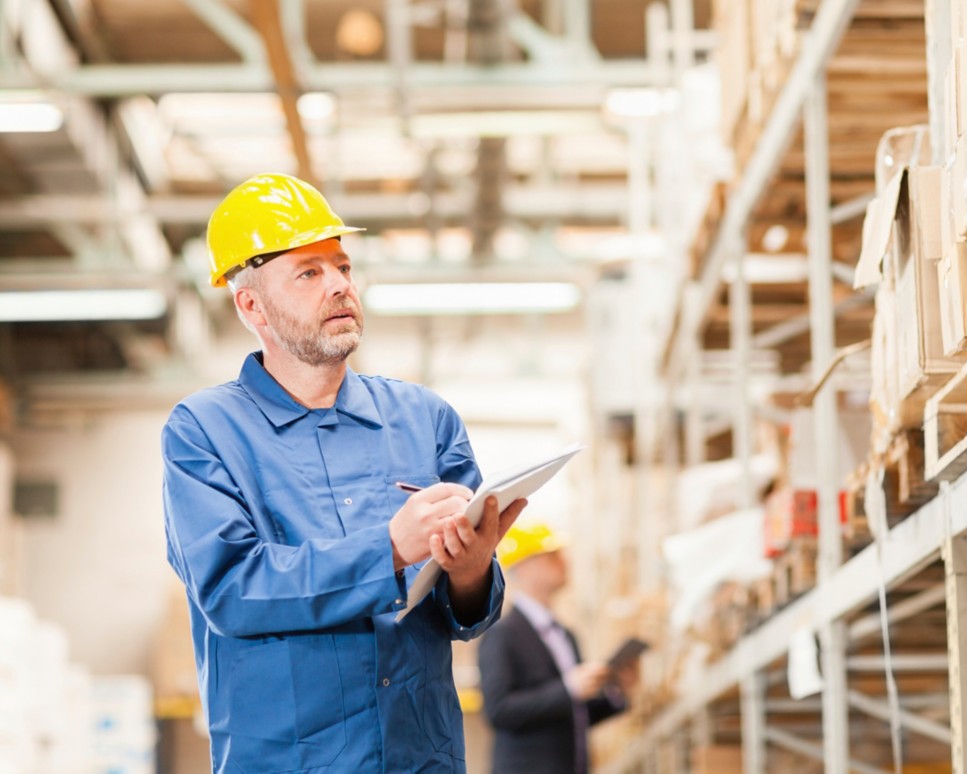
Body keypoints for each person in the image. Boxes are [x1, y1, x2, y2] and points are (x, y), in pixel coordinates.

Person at [161, 172, 526, 773]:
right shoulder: (204, 431)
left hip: (420, 759)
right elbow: (231, 591)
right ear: (251, 305)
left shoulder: (424, 419)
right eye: (309, 272)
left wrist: (471, 569)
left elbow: (467, 615)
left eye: (343, 268)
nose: (339, 286)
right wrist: (387, 549)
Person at [478, 522, 634, 774]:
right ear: (525, 567)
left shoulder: (566, 636)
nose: (564, 562)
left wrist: (616, 691)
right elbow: (499, 710)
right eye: (552, 557)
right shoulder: (503, 634)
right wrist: (569, 688)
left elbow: (574, 715)